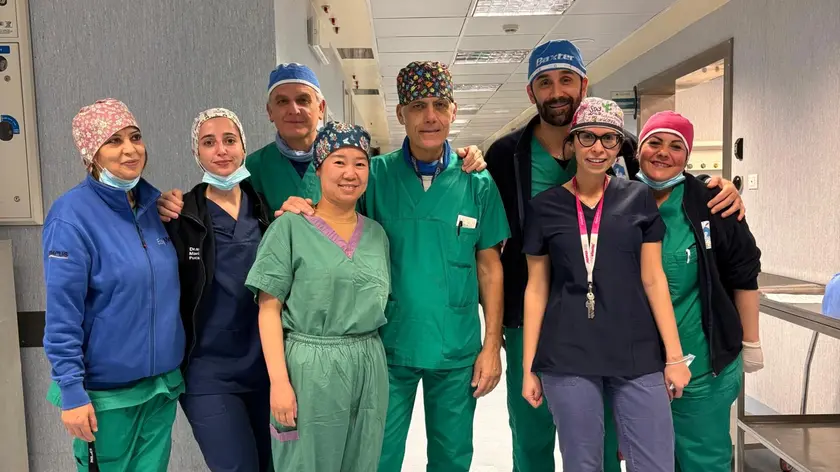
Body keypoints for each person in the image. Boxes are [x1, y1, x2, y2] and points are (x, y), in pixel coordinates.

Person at [484, 39, 745, 472]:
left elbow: (662, 177)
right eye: (545, 83)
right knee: (531, 438)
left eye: (566, 80)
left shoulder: (624, 155)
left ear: (583, 86)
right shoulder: (504, 155)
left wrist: (713, 187)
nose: (556, 91)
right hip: (533, 320)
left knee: (601, 443)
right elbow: (490, 239)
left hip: (610, 325)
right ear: (531, 92)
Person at [278, 61, 510, 472]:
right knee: (378, 455)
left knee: (453, 457)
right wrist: (301, 204)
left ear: (454, 111)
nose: (430, 116)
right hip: (387, 345)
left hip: (456, 347)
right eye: (418, 106)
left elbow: (490, 268)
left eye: (440, 105)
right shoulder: (375, 175)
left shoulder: (477, 182)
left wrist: (492, 346)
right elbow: (328, 210)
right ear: (401, 113)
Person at [521, 97, 691, 472]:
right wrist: (528, 366)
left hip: (636, 350)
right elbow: (536, 289)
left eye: (609, 139)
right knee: (582, 464)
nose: (598, 148)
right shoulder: (544, 207)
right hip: (567, 354)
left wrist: (675, 357)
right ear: (572, 143)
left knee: (656, 463)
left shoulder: (638, 198)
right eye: (588, 137)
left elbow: (654, 278)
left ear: (619, 147)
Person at [42, 99, 185, 471]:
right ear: (92, 154)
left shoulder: (152, 209)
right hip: (105, 396)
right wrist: (72, 392)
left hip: (160, 387)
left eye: (135, 137)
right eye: (113, 141)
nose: (130, 149)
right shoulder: (71, 216)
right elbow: (62, 315)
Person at [156, 62, 487, 221]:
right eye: (282, 102)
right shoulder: (251, 169)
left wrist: (464, 154)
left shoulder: (360, 167)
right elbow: (217, 205)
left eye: (303, 99)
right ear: (269, 112)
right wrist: (173, 204)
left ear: (321, 108)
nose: (294, 110)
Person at [244, 121, 390, 471]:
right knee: (306, 463)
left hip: (369, 364)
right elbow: (268, 309)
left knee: (363, 460)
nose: (350, 173)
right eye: (339, 161)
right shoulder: (289, 227)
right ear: (319, 167)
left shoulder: (376, 235)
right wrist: (279, 383)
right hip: (310, 367)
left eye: (360, 163)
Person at [634, 110, 763, 471]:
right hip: (638, 366)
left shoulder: (712, 202)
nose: (663, 153)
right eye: (654, 143)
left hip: (703, 365)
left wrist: (751, 341)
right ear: (638, 150)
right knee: (650, 460)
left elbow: (744, 272)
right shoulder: (619, 200)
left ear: (687, 157)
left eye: (676, 147)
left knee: (703, 460)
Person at [165, 108, 272, 471]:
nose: (221, 150)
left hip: (267, 366)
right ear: (197, 152)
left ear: (243, 146)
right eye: (208, 142)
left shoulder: (265, 211)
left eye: (229, 140)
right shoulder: (181, 217)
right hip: (208, 371)